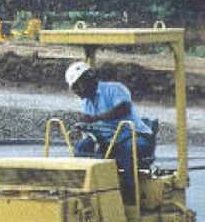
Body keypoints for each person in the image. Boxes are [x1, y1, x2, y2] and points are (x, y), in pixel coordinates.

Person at [64, 61, 155, 195]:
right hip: (110, 142)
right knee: (81, 148)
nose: (77, 91)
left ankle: (131, 193)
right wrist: (83, 127)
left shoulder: (114, 89)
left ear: (88, 79)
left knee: (127, 149)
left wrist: (95, 118)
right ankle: (86, 189)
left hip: (138, 137)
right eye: (75, 88)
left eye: (78, 85)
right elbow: (89, 123)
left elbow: (123, 108)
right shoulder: (87, 102)